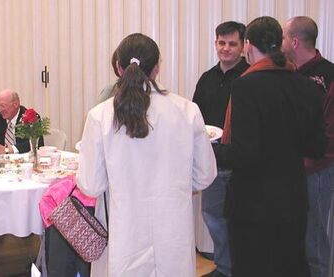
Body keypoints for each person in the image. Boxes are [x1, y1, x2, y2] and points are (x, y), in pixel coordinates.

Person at [77, 33, 217, 276]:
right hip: (173, 233)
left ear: (119, 68)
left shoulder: (100, 115)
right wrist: (177, 184)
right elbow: (205, 175)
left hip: (125, 235)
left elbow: (90, 185)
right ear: (157, 68)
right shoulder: (187, 111)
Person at [213, 16, 327, 277]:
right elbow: (317, 148)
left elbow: (244, 154)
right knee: (292, 267)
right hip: (294, 200)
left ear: (248, 46)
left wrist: (210, 150)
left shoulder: (245, 86)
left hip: (253, 205)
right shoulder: (307, 87)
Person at [193, 21, 249, 277]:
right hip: (213, 162)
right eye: (221, 43)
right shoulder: (207, 78)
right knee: (213, 217)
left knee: (243, 223)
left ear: (243, 46)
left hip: (243, 165)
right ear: (215, 43)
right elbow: (195, 120)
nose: (226, 49)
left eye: (232, 44)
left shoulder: (251, 78)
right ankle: (226, 268)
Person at [282, 16, 334, 277]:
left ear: (294, 41)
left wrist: (307, 163)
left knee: (314, 237)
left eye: (282, 37)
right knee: (292, 236)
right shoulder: (287, 73)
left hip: (317, 171)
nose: (279, 43)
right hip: (288, 169)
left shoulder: (329, 75)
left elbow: (330, 133)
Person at [0, 89, 44, 154]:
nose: (0, 110)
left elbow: (35, 143)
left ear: (16, 104)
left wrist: (7, 150)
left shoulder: (30, 117)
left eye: (2, 106)